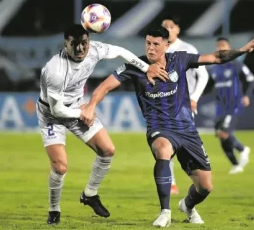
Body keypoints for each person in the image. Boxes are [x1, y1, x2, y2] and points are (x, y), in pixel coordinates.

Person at [80, 26, 254, 227]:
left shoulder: (179, 59)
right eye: (148, 43)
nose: (150, 48)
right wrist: (90, 106)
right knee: (162, 148)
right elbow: (105, 86)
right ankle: (164, 212)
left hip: (186, 129)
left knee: (205, 187)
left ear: (166, 45)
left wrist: (243, 50)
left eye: (156, 44)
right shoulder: (135, 65)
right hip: (159, 127)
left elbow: (216, 57)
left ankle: (187, 206)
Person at [36, 24, 169, 225]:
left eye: (84, 43)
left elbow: (121, 52)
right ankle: (54, 210)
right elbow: (57, 110)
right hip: (51, 114)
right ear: (66, 44)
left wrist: (145, 67)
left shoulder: (95, 50)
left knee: (107, 150)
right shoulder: (54, 69)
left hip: (76, 108)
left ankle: (89, 194)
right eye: (74, 44)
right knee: (60, 166)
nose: (80, 49)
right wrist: (83, 113)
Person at [162, 14, 209, 195]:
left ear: (178, 29)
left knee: (185, 146)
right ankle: (171, 183)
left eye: (171, 26)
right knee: (165, 145)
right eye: (165, 26)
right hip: (163, 105)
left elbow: (203, 75)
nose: (168, 29)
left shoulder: (187, 49)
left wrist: (195, 97)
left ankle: (199, 183)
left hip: (184, 106)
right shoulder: (158, 48)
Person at [208, 37, 254, 174]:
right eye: (218, 45)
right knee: (221, 135)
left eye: (223, 45)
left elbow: (251, 81)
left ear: (229, 47)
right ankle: (235, 165)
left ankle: (242, 149)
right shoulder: (214, 68)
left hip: (234, 103)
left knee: (224, 131)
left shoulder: (237, 65)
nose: (221, 48)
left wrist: (247, 95)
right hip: (220, 107)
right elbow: (210, 85)